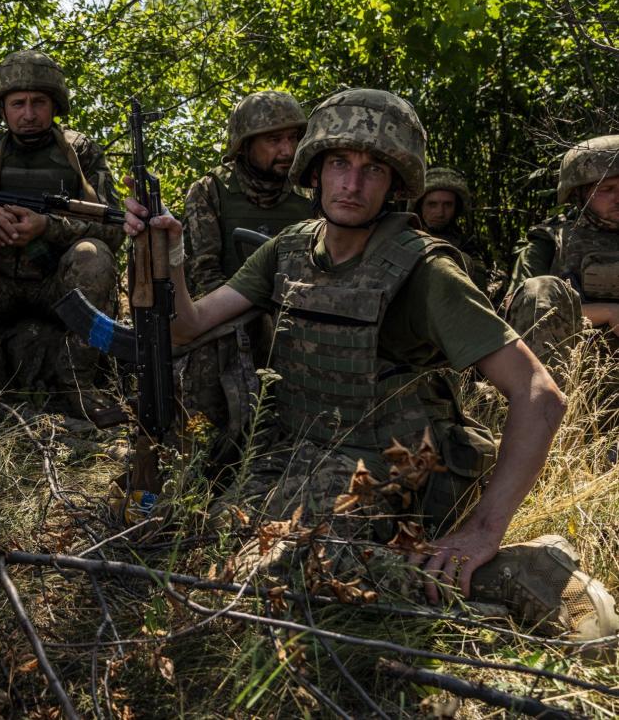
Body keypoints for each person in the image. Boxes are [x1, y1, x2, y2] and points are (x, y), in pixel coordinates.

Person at [123, 88, 616, 638]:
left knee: (296, 574)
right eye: (339, 163)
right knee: (206, 541)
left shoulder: (426, 271)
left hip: (408, 463)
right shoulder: (288, 249)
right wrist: (161, 253)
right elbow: (185, 326)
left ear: (397, 185)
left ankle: (519, 569)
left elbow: (539, 395)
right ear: (315, 171)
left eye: (372, 169)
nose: (351, 185)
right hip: (301, 450)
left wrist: (484, 530)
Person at [0, 50, 122, 414]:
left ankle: (76, 384)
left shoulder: (80, 153)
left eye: (38, 103)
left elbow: (114, 229)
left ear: (54, 105)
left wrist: (49, 226)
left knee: (94, 256)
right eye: (18, 104)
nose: (28, 114)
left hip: (57, 285)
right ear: (2, 109)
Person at [178, 90, 312, 438]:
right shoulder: (209, 191)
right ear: (244, 145)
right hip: (229, 309)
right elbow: (204, 272)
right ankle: (207, 447)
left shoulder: (311, 193)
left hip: (300, 313)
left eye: (293, 138)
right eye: (274, 140)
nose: (287, 150)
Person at [504, 135, 619, 366]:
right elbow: (518, 306)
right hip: (577, 367)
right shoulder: (550, 240)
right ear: (580, 192)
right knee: (540, 287)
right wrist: (606, 312)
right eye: (608, 188)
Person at [411, 166, 492, 293]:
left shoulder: (466, 245)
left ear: (456, 208)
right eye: (432, 204)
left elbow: (479, 289)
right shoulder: (403, 237)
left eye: (448, 205)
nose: (440, 213)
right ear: (420, 205)